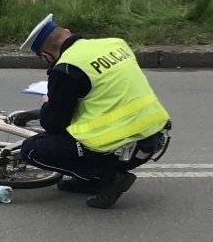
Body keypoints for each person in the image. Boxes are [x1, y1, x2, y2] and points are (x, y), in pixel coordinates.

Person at [13, 14, 171, 210]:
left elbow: (53, 123)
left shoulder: (66, 68)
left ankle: (110, 178)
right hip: (155, 136)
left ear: (46, 55)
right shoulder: (115, 44)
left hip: (124, 150)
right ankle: (89, 179)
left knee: (33, 149)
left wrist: (48, 101)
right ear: (68, 33)